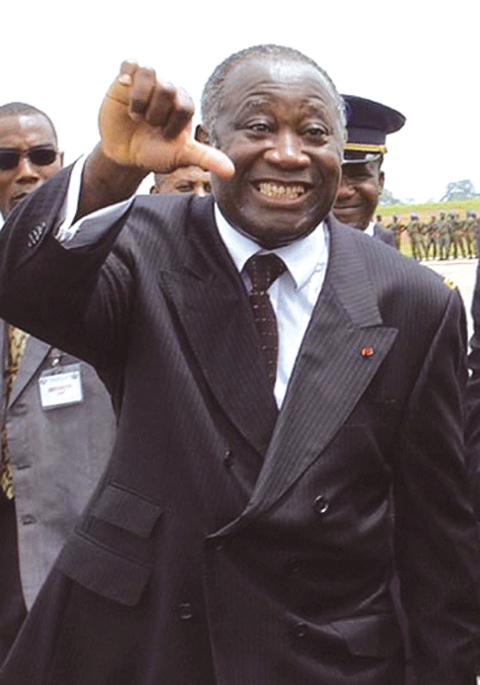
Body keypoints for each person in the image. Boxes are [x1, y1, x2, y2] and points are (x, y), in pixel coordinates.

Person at [0, 45, 478, 685]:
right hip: (154, 639)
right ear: (207, 141)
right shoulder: (142, 241)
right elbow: (24, 289)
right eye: (258, 127)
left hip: (324, 655)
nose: (289, 153)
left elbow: (436, 538)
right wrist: (112, 168)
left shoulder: (413, 301)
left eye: (315, 133)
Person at [0, 102, 116, 662]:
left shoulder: (113, 260)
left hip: (81, 547)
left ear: (62, 162)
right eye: (7, 159)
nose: (26, 172)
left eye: (41, 156)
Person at [333, 94, 405, 248]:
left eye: (358, 176)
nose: (342, 192)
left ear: (380, 182)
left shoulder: (397, 261)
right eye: (330, 177)